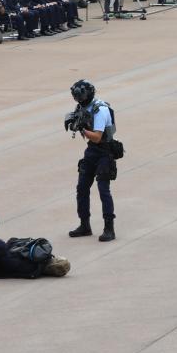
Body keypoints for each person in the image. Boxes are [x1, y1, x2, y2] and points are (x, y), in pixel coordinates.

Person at [67, 80, 119, 242]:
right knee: (82, 188)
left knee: (103, 189)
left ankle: (109, 229)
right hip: (92, 151)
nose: (79, 100)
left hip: (104, 151)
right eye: (76, 97)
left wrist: (82, 128)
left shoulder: (100, 110)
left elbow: (97, 137)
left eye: (81, 96)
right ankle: (85, 225)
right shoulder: (83, 107)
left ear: (88, 94)